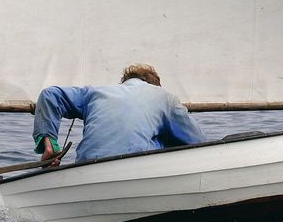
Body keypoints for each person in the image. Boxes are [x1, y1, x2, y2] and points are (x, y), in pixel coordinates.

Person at [33, 63, 206, 166]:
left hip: (85, 169)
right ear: (155, 85)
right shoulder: (164, 97)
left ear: (123, 83)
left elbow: (50, 95)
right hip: (136, 170)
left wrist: (50, 144)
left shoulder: (95, 92)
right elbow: (197, 143)